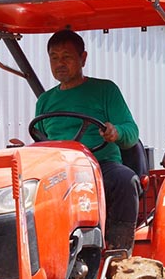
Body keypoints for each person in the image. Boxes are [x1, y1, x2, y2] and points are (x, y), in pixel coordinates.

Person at [35, 29, 141, 251]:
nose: (59, 63)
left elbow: (131, 132)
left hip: (100, 165)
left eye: (66, 57)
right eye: (54, 58)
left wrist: (116, 132)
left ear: (83, 58)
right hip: (59, 171)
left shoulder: (105, 90)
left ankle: (118, 250)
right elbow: (40, 139)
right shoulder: (45, 101)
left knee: (125, 180)